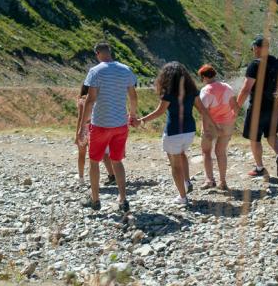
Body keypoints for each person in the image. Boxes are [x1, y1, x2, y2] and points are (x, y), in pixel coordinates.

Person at [137, 61, 214, 207]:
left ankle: (182, 197)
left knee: (175, 166)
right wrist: (213, 126)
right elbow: (203, 110)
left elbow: (159, 112)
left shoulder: (169, 93)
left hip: (173, 132)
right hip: (190, 131)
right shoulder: (192, 91)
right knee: (182, 153)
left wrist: (141, 121)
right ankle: (186, 182)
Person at [78, 42, 138, 213]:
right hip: (120, 124)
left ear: (97, 54)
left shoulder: (95, 71)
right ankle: (123, 199)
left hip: (101, 124)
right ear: (110, 52)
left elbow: (90, 100)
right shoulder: (125, 69)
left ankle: (95, 200)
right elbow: (133, 96)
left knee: (95, 161)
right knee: (117, 161)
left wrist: (83, 125)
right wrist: (132, 115)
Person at [236, 36, 278, 179]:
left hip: (257, 109)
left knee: (255, 138)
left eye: (254, 47)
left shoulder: (255, 65)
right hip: (275, 107)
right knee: (272, 134)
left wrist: (236, 106)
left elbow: (246, 88)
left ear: (259, 47)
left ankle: (259, 168)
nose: (253, 50)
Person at [198, 64, 237, 191]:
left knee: (206, 152)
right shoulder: (227, 87)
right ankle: (223, 182)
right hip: (227, 124)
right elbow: (235, 107)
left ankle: (209, 180)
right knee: (221, 153)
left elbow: (204, 112)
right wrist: (232, 121)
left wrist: (204, 129)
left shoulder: (206, 90)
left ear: (203, 77)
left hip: (211, 126)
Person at [75, 83, 115, 185]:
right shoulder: (98, 100)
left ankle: (81, 178)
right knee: (95, 156)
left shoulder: (82, 101)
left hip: (84, 129)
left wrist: (77, 133)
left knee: (81, 154)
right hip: (95, 128)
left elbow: (80, 118)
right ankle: (99, 178)